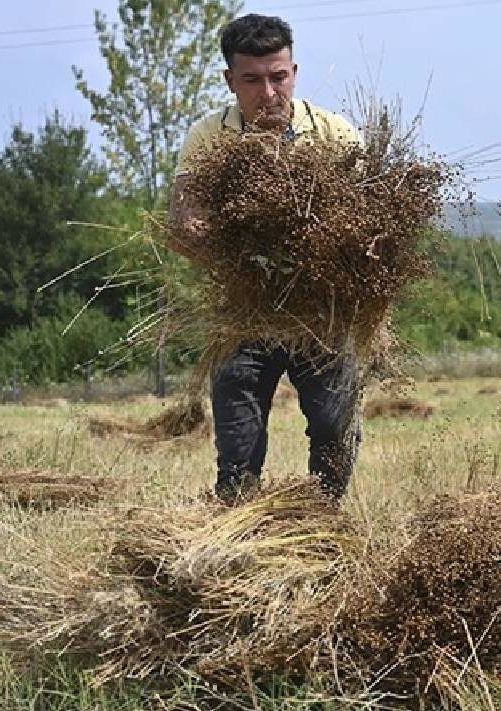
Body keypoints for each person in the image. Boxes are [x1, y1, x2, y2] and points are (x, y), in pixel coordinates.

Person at [167, 14, 363, 503]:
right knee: (238, 435)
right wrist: (230, 247)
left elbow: (368, 222)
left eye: (279, 77)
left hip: (321, 313)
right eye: (252, 80)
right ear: (229, 80)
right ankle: (238, 522)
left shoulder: (334, 134)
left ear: (294, 71)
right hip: (242, 312)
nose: (269, 92)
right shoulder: (208, 139)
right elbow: (182, 224)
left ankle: (323, 520)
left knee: (332, 422)